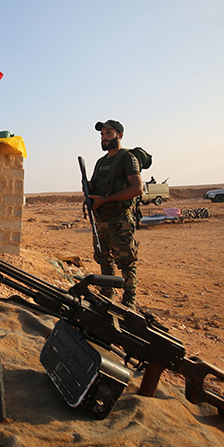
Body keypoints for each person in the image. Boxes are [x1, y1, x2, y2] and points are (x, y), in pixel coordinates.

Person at [88, 120, 144, 308]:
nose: (104, 138)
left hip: (120, 221)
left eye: (108, 134)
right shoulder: (101, 162)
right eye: (102, 134)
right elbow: (96, 187)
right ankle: (107, 296)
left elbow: (137, 188)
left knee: (126, 263)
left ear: (119, 135)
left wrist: (106, 199)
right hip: (101, 220)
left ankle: (129, 302)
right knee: (104, 260)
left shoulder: (127, 158)